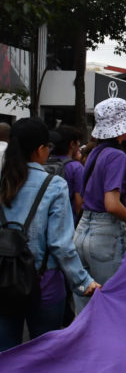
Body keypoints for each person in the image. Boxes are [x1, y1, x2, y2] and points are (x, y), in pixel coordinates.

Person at [0, 118, 98, 350]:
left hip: (2, 280)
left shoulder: (3, 182)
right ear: (39, 150)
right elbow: (61, 245)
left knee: (5, 356)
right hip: (43, 284)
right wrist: (83, 283)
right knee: (45, 355)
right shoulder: (54, 185)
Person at [74, 98, 126, 312]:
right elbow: (112, 204)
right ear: (123, 129)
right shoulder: (115, 155)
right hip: (105, 235)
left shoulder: (94, 151)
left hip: (82, 230)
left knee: (84, 307)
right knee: (108, 305)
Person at [47, 124, 84, 220]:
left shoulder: (45, 162)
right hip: (66, 221)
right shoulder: (76, 167)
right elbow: (79, 203)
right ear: (72, 144)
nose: (79, 144)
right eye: (78, 142)